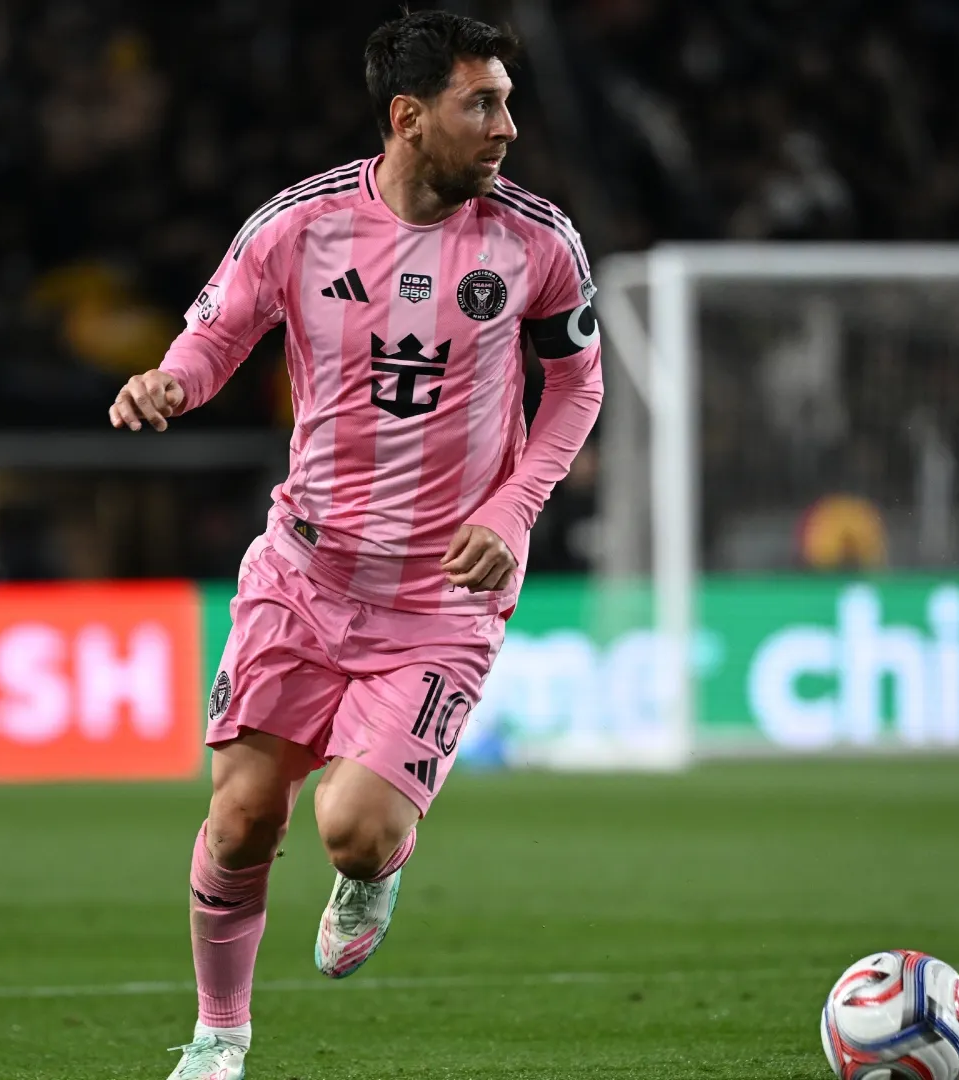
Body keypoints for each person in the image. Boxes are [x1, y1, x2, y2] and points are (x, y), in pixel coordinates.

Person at [108, 13, 603, 1079]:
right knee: (241, 819)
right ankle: (219, 1036)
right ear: (408, 117)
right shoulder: (301, 226)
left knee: (356, 829)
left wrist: (512, 511)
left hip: (439, 597)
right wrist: (170, 383)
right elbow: (218, 331)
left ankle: (375, 870)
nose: (508, 126)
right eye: (484, 103)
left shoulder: (537, 242)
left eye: (509, 100)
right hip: (304, 569)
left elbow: (577, 384)